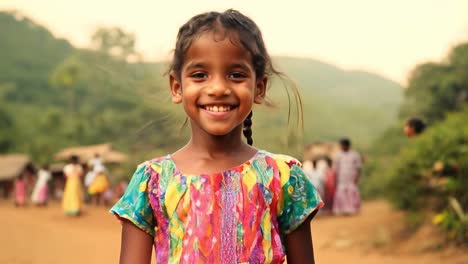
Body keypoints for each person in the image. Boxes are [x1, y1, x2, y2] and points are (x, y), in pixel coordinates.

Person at [110, 9, 323, 264]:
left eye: (236, 75)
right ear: (177, 87)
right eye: (200, 75)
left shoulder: (284, 178)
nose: (218, 88)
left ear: (259, 88)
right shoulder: (151, 183)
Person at [333, 138, 362, 215]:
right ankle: (342, 210)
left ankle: (352, 209)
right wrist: (335, 179)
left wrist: (357, 177)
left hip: (351, 179)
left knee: (351, 193)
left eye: (342, 145)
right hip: (341, 179)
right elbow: (336, 168)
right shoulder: (338, 155)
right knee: (341, 193)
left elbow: (359, 168)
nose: (341, 147)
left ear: (346, 145)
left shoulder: (355, 155)